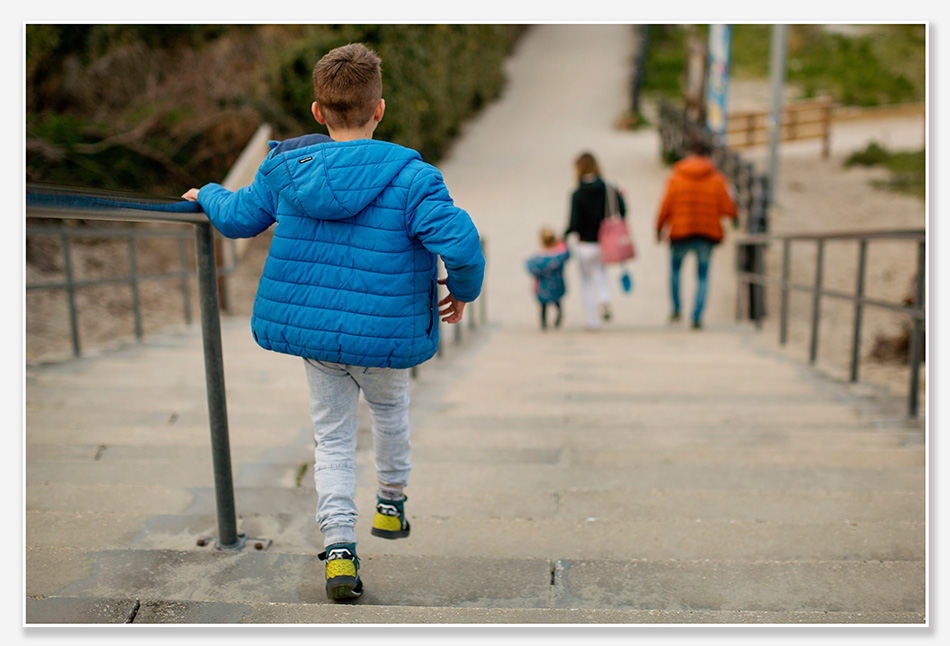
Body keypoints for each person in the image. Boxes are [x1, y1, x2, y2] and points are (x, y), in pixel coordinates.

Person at [181, 43, 485, 601]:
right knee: (390, 413)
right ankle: (390, 503)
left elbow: (239, 218)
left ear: (318, 111)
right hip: (384, 334)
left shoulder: (286, 171)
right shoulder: (413, 178)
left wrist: (208, 194)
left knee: (332, 439)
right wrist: (461, 291)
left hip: (318, 339)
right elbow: (462, 244)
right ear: (380, 109)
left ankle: (339, 547)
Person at [655, 139, 737, 329]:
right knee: (703, 276)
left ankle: (676, 309)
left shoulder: (676, 177)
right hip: (706, 234)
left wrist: (659, 228)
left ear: (690, 154)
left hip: (680, 231)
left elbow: (665, 205)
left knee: (675, 270)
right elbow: (728, 209)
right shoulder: (717, 179)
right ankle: (697, 316)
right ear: (708, 156)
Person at [564, 152, 626, 330]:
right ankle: (605, 298)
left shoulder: (577, 193)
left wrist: (565, 235)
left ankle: (593, 321)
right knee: (602, 273)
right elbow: (622, 212)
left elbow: (573, 223)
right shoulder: (609, 188)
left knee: (586, 282)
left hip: (585, 244)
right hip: (605, 243)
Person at [526, 226, 570, 330]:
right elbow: (567, 253)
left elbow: (530, 267)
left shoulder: (538, 257)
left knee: (543, 305)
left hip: (543, 286)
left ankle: (544, 323)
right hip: (557, 284)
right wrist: (562, 242)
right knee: (557, 303)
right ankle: (558, 318)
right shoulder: (559, 255)